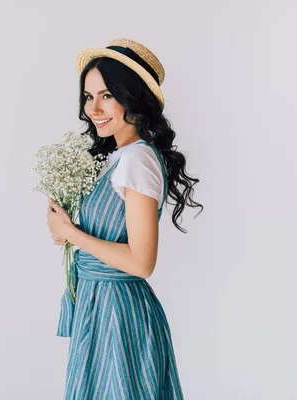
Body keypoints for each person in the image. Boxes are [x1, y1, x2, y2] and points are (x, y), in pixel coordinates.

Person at [46, 38, 203, 399]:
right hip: (97, 307)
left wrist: (72, 233)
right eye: (88, 96)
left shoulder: (138, 159)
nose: (94, 109)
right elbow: (105, 235)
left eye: (106, 96)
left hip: (119, 315)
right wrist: (66, 228)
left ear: (132, 98)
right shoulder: (118, 157)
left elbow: (141, 262)